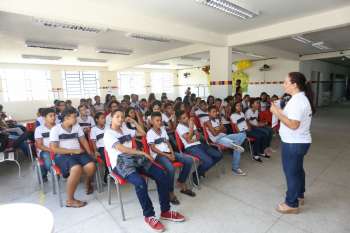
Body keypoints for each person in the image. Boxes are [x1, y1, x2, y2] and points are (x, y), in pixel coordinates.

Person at [103, 109, 185, 231]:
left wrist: (134, 122)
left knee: (162, 174)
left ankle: (165, 211)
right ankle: (149, 215)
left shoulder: (125, 129)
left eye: (122, 116)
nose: (121, 119)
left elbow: (142, 133)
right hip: (121, 163)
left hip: (135, 158)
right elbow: (122, 149)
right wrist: (142, 153)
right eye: (117, 117)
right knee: (140, 183)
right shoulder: (108, 133)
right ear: (111, 118)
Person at [270, 72, 313, 214]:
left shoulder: (297, 101)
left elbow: (293, 124)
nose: (283, 84)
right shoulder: (299, 99)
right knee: (298, 170)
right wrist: (278, 110)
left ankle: (291, 203)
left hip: (294, 143)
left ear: (294, 85)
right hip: (298, 141)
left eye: (286, 82)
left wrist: (276, 113)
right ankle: (299, 194)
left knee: (291, 173)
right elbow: (290, 116)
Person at [49, 107, 96, 208]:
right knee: (76, 168)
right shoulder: (55, 129)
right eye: (74, 116)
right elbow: (54, 149)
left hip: (78, 153)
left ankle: (88, 183)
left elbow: (83, 140)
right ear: (66, 118)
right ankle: (70, 200)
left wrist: (90, 152)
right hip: (62, 155)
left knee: (91, 166)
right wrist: (73, 151)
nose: (76, 118)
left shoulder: (76, 126)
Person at [147, 112, 195, 205]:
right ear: (152, 122)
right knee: (171, 168)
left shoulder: (163, 130)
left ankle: (181, 181)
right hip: (159, 155)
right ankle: (170, 192)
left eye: (160, 120)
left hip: (169, 152)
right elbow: (153, 148)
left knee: (188, 160)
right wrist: (167, 156)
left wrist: (172, 154)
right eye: (157, 120)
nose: (160, 122)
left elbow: (168, 143)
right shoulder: (150, 133)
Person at [176, 110, 222, 185]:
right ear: (179, 120)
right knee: (208, 161)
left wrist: (192, 138)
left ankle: (201, 171)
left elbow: (198, 136)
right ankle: (195, 175)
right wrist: (191, 128)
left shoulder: (191, 123)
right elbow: (188, 140)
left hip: (199, 144)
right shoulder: (179, 127)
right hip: (190, 148)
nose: (186, 119)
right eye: (183, 118)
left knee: (219, 155)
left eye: (186, 117)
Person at [205, 105, 246, 175]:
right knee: (236, 146)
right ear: (209, 113)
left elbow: (225, 130)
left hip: (225, 136)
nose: (216, 113)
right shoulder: (208, 122)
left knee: (243, 134)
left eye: (216, 112)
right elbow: (214, 134)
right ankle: (235, 168)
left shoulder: (218, 120)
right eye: (213, 112)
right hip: (217, 140)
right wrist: (220, 128)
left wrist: (219, 129)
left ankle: (235, 145)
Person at [34, 108, 56, 182]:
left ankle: (64, 172)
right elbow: (40, 145)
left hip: (58, 149)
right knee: (46, 156)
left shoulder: (58, 127)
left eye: (54, 115)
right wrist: (51, 149)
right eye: (51, 116)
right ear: (44, 118)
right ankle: (54, 174)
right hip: (45, 150)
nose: (53, 117)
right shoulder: (39, 129)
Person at [90, 112, 108, 183]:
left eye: (104, 118)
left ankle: (110, 171)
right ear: (97, 120)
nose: (104, 120)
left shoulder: (107, 127)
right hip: (101, 148)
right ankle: (108, 172)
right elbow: (93, 142)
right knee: (106, 157)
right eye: (102, 118)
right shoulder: (94, 129)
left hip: (109, 146)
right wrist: (95, 151)